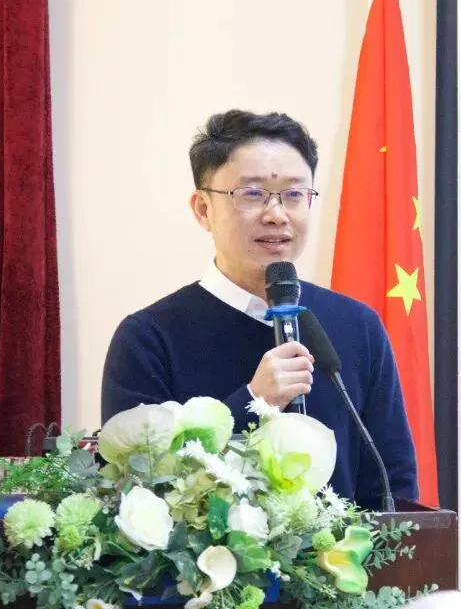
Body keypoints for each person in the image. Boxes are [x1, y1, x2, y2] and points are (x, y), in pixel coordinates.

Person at [100, 109, 418, 509]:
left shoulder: (358, 326)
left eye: (294, 195)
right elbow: (133, 491)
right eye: (252, 194)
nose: (276, 214)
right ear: (203, 209)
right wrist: (254, 402)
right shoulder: (148, 338)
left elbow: (393, 487)